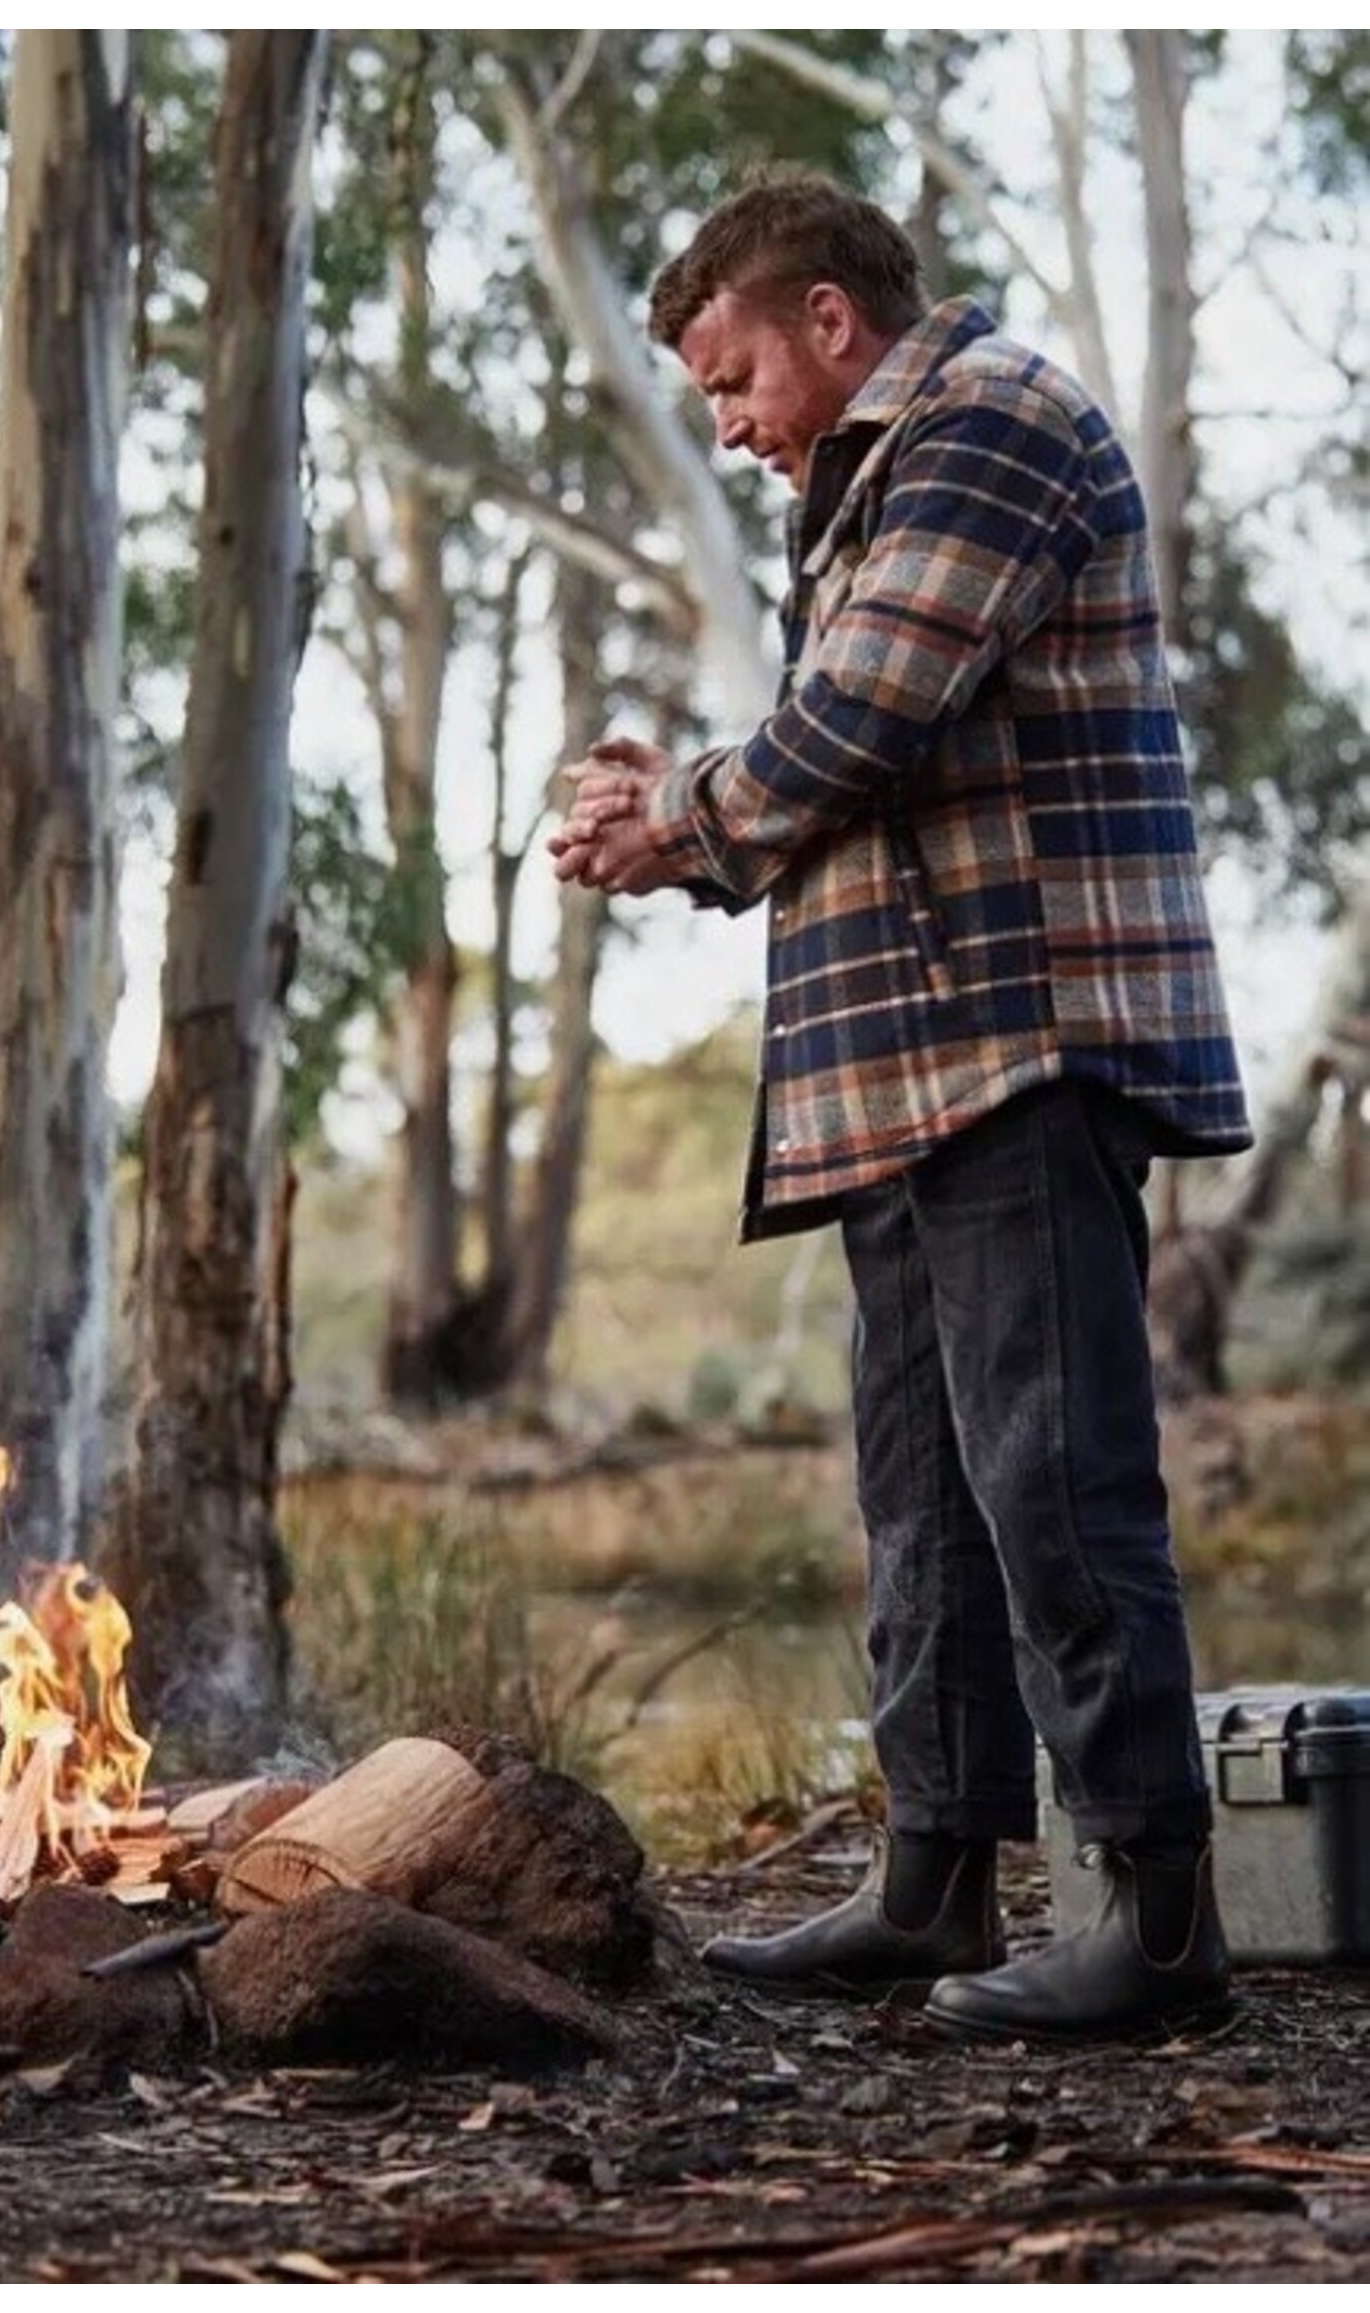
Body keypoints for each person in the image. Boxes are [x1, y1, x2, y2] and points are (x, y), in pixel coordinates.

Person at [549, 170, 1252, 2042]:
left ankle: (1160, 1918)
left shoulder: (986, 422)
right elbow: (837, 760)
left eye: (734, 376)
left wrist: (672, 816)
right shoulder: (867, 484)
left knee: (1056, 1475)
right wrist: (680, 807)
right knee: (925, 1497)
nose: (729, 420)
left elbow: (864, 720)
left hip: (1019, 1038)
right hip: (896, 1071)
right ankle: (935, 1883)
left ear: (830, 325)